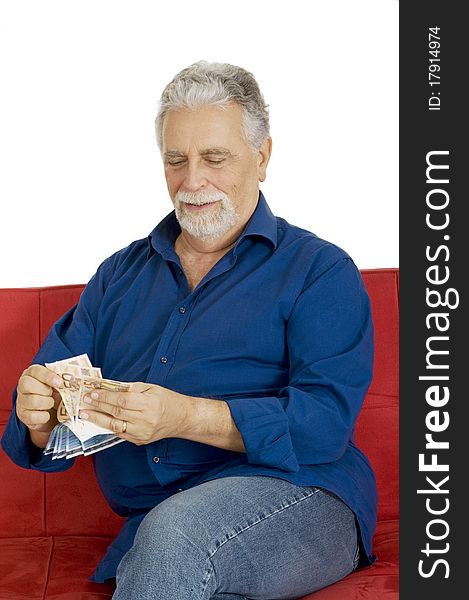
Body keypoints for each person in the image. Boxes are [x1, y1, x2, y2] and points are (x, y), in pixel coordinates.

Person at [1, 61, 377, 600]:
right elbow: (44, 423)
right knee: (172, 547)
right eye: (176, 160)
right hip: (153, 528)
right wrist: (36, 415)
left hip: (301, 496)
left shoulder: (319, 271)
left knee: (175, 536)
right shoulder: (117, 277)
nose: (192, 181)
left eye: (214, 158)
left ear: (263, 157)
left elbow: (323, 425)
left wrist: (183, 416)